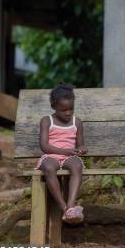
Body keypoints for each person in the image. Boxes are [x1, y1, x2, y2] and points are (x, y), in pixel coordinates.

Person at [35, 83, 88, 223]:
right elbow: (44, 146)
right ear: (54, 107)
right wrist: (65, 150)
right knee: (48, 167)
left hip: (69, 157)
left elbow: (80, 143)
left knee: (77, 166)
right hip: (51, 155)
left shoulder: (76, 122)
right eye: (63, 110)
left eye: (71, 109)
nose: (68, 113)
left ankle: (71, 206)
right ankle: (63, 207)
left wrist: (82, 148)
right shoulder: (47, 121)